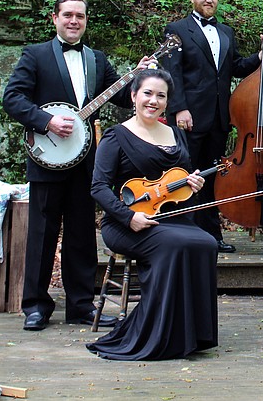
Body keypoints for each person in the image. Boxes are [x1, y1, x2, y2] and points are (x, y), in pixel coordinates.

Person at [2, 0, 154, 331]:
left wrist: (139, 77)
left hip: (86, 162)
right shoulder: (36, 55)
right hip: (47, 159)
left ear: (86, 21)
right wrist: (45, 121)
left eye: (80, 17)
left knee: (82, 235)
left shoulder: (97, 60)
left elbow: (119, 97)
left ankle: (81, 306)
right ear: (54, 18)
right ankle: (36, 307)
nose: (74, 21)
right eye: (68, 15)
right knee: (42, 234)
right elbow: (12, 98)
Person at [87, 68, 219, 360]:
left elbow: (180, 179)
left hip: (170, 218)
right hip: (126, 223)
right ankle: (157, 333)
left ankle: (191, 333)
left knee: (207, 243)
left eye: (161, 96)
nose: (153, 100)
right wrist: (128, 217)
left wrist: (193, 182)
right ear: (134, 96)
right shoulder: (116, 136)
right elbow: (98, 188)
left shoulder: (174, 133)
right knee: (176, 245)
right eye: (147, 93)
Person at [163, 0, 263, 253]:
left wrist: (260, 56)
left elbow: (235, 67)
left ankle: (211, 236)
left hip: (219, 119)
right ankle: (182, 236)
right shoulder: (176, 29)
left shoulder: (226, 32)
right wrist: (180, 109)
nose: (209, 0)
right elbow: (171, 72)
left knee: (211, 178)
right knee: (185, 176)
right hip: (189, 117)